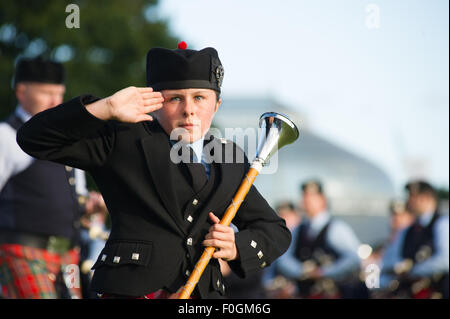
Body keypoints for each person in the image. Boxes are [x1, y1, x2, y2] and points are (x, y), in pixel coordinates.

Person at [15, 42, 292, 299]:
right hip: (130, 290)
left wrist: (236, 246)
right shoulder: (121, 138)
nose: (189, 111)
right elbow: (34, 137)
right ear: (156, 102)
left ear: (216, 104)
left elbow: (274, 230)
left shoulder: (229, 156)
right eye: (175, 99)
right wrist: (106, 107)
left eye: (199, 98)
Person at [0, 57, 106, 299]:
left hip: (68, 255)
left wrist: (90, 206)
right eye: (47, 93)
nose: (56, 102)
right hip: (21, 252)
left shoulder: (67, 142)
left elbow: (75, 199)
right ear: (21, 91)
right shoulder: (6, 136)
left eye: (59, 94)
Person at [275, 180, 366, 298]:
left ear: (323, 199)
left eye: (313, 197)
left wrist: (324, 272)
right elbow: (283, 259)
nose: (308, 201)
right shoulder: (298, 229)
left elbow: (353, 258)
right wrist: (301, 271)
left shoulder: (335, 228)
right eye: (305, 196)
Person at [380, 181, 449, 299]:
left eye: (412, 196)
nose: (408, 201)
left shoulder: (442, 224)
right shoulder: (407, 230)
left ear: (427, 198)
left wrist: (414, 270)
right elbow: (393, 259)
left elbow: (445, 260)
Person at [263, 201, 301, 298]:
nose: (285, 219)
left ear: (297, 217)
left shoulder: (304, 234)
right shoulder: (273, 239)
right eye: (281, 216)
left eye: (288, 215)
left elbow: (283, 262)